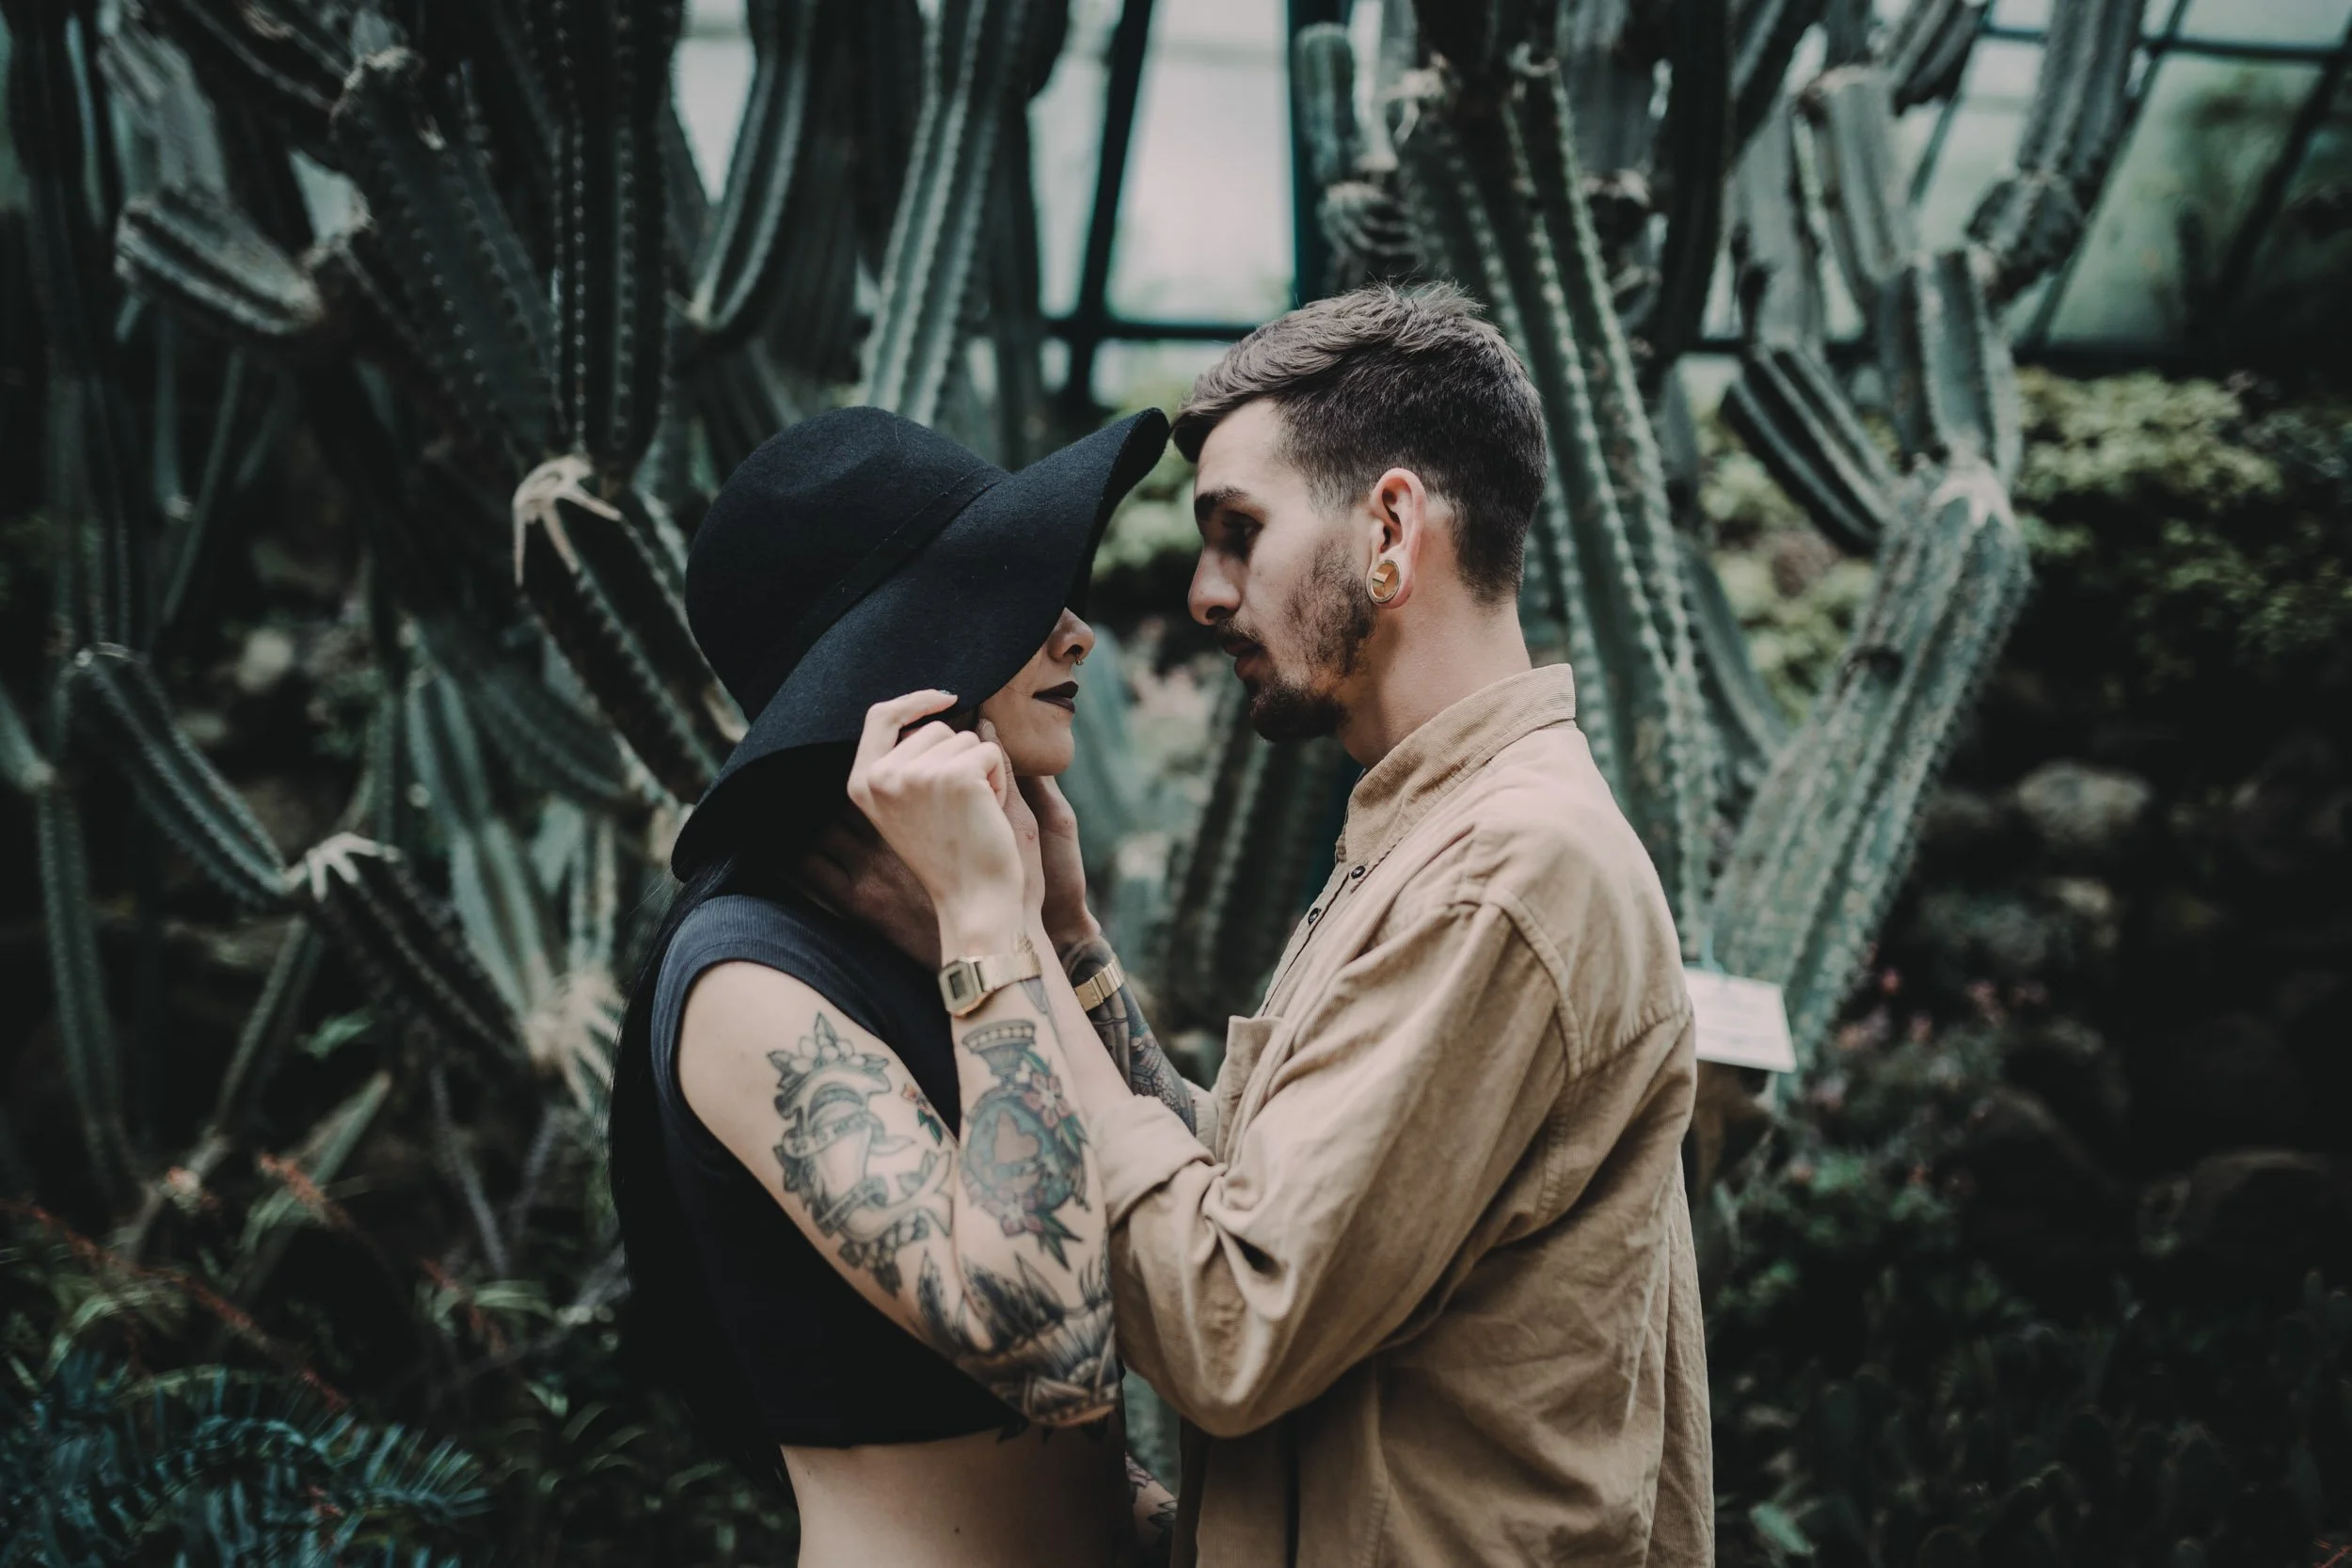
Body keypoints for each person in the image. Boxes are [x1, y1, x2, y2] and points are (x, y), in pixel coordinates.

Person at [826, 281, 1715, 1565]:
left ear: (1390, 528)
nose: (1205, 590)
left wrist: (989, 929)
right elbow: (1266, 1202)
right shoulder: (1432, 832)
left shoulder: (1504, 873)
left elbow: (1229, 1321)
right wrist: (1068, 946)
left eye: (1239, 532)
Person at [604, 404, 1183, 1567]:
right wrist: (990, 920)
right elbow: (1054, 1346)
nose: (1076, 635)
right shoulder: (747, 976)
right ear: (906, 652)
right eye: (1019, 596)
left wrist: (1064, 933)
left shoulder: (962, 922)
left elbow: (1184, 1200)